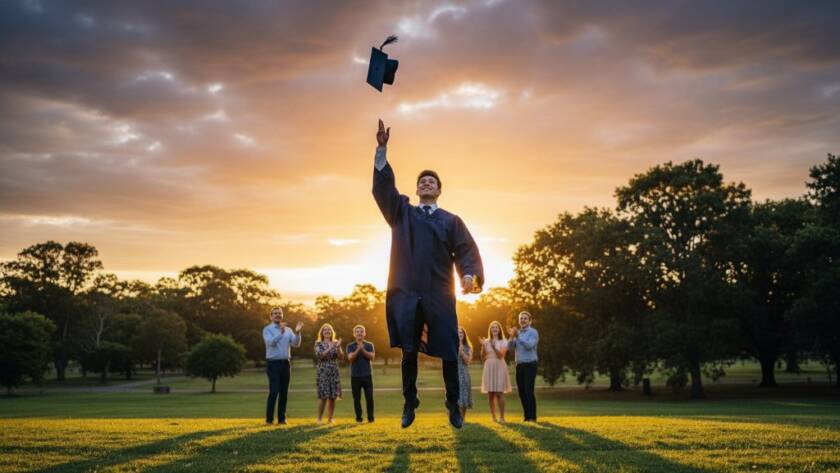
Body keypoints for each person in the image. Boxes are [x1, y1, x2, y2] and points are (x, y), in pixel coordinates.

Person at [372, 119, 485, 429]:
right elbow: (383, 189)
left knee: (449, 350)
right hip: (407, 291)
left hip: (439, 293)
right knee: (409, 351)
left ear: (439, 190)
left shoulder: (451, 221)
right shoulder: (401, 213)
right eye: (421, 181)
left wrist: (469, 275)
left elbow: (466, 251)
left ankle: (453, 404)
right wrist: (381, 150)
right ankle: (410, 402)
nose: (425, 183)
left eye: (431, 181)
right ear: (417, 189)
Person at [262, 307, 303, 425]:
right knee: (274, 391)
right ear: (271, 316)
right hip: (273, 364)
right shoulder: (267, 329)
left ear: (282, 315)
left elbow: (296, 344)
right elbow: (271, 343)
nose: (278, 315)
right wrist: (281, 332)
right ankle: (269, 420)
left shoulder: (289, 330)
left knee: (284, 392)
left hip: (285, 364)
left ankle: (282, 419)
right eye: (275, 313)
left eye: (280, 313)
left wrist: (298, 332)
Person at [508, 311, 540, 422]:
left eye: (525, 318)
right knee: (521, 392)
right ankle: (526, 417)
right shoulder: (517, 333)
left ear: (529, 320)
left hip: (530, 364)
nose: (523, 320)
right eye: (521, 318)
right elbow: (510, 348)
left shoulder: (533, 332)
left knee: (528, 391)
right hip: (519, 365)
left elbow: (529, 346)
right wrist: (512, 338)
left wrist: (518, 337)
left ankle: (533, 417)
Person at [480, 321, 511, 423]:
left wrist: (493, 346)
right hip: (489, 366)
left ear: (499, 329)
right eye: (492, 327)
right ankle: (493, 417)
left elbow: (501, 355)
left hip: (499, 366)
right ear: (490, 329)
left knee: (499, 392)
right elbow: (482, 356)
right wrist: (483, 346)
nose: (494, 329)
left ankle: (502, 417)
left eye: (496, 327)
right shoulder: (487, 341)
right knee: (490, 394)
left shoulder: (503, 341)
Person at [314, 323, 343, 424]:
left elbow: (341, 357)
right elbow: (320, 356)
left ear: (332, 332)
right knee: (324, 396)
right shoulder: (318, 343)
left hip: (334, 371)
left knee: (333, 396)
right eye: (325, 330)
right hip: (323, 372)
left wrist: (338, 348)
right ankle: (319, 418)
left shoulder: (335, 343)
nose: (327, 331)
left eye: (329, 330)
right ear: (322, 332)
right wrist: (331, 347)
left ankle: (330, 418)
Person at [346, 325, 376, 423]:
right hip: (355, 376)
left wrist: (362, 349)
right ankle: (359, 418)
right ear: (354, 334)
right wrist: (358, 349)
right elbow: (350, 358)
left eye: (361, 331)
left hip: (367, 375)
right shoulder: (350, 346)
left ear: (364, 333)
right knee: (356, 399)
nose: (359, 333)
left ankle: (371, 418)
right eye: (357, 332)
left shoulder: (369, 345)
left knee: (369, 398)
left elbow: (372, 357)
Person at [457, 326, 474, 421]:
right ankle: (455, 417)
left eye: (461, 333)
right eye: (458, 333)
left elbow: (467, 361)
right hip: (454, 373)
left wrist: (461, 351)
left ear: (464, 335)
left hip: (463, 373)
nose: (460, 335)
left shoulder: (468, 347)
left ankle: (462, 418)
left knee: (464, 396)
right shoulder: (451, 345)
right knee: (455, 396)